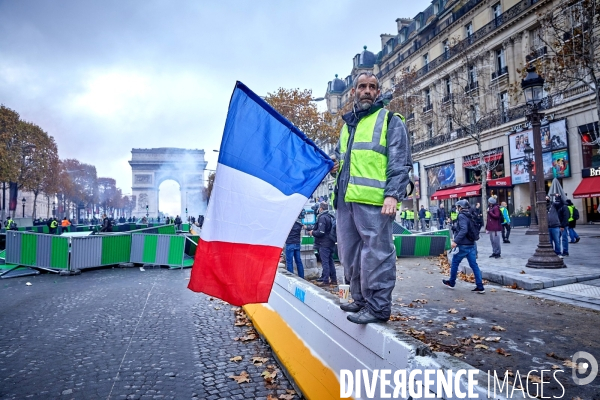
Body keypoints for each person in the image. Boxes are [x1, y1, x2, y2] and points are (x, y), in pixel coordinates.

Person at [331, 71, 412, 324]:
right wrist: (336, 166)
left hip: (375, 202)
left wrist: (392, 196)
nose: (367, 90)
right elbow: (342, 159)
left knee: (377, 254)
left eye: (372, 87)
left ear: (378, 92)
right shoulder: (347, 127)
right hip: (346, 202)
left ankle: (378, 307)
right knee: (350, 254)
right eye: (362, 86)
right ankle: (361, 299)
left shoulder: (389, 120)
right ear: (353, 92)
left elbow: (400, 162)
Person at [443, 200, 485, 293]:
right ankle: (480, 286)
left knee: (455, 263)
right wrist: (454, 226)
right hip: (472, 244)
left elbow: (464, 229)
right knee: (474, 265)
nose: (457, 208)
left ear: (460, 207)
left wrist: (455, 241)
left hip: (463, 245)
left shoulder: (462, 215)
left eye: (457, 207)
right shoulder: (470, 214)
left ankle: (452, 282)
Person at [308, 202, 336, 286]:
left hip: (324, 243)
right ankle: (333, 279)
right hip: (330, 242)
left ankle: (325, 280)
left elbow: (321, 232)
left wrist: (312, 232)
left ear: (320, 209)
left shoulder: (322, 217)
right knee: (330, 261)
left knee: (325, 262)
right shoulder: (330, 216)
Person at [284, 211, 305, 279]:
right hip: (297, 243)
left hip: (290, 243)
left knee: (289, 262)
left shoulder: (288, 224)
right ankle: (301, 277)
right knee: (298, 261)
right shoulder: (299, 224)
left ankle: (291, 278)